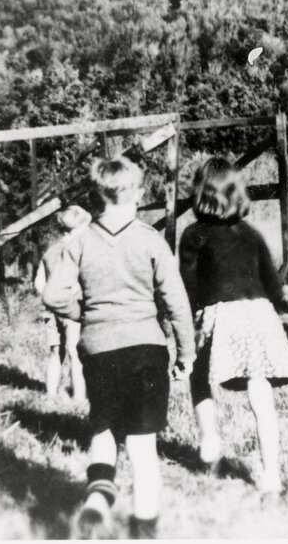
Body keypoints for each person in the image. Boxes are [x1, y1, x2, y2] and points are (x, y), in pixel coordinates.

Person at [43, 156, 195, 539]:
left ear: (96, 195)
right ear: (139, 193)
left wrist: (88, 312)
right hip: (146, 348)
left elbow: (53, 294)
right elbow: (176, 302)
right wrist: (186, 353)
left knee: (104, 428)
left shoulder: (79, 241)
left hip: (99, 350)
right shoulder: (150, 239)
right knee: (143, 448)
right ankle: (144, 528)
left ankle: (96, 499)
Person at [178, 157, 288, 496]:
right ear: (237, 192)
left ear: (200, 193)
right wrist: (266, 307)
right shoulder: (251, 234)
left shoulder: (193, 235)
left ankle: (210, 441)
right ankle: (271, 474)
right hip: (257, 313)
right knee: (260, 394)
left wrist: (186, 326)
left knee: (199, 376)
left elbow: (186, 286)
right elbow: (274, 287)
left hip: (217, 314)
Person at [34, 204, 91, 401]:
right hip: (71, 308)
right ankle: (79, 396)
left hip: (50, 311)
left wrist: (50, 300)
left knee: (55, 352)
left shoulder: (50, 251)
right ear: (79, 228)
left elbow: (38, 283)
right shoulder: (77, 251)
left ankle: (50, 394)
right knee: (75, 353)